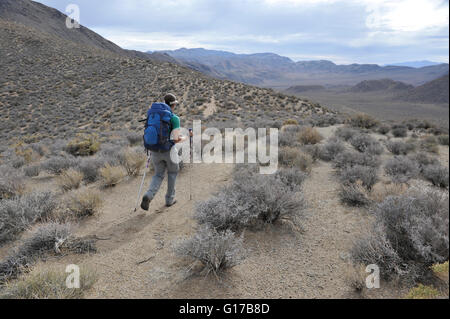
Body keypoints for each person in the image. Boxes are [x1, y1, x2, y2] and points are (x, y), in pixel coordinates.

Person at [140, 93, 188, 211]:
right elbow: (176, 139)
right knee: (172, 173)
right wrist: (186, 137)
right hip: (169, 151)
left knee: (158, 175)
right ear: (173, 105)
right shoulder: (174, 118)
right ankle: (169, 200)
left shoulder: (154, 115)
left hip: (155, 151)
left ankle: (149, 195)